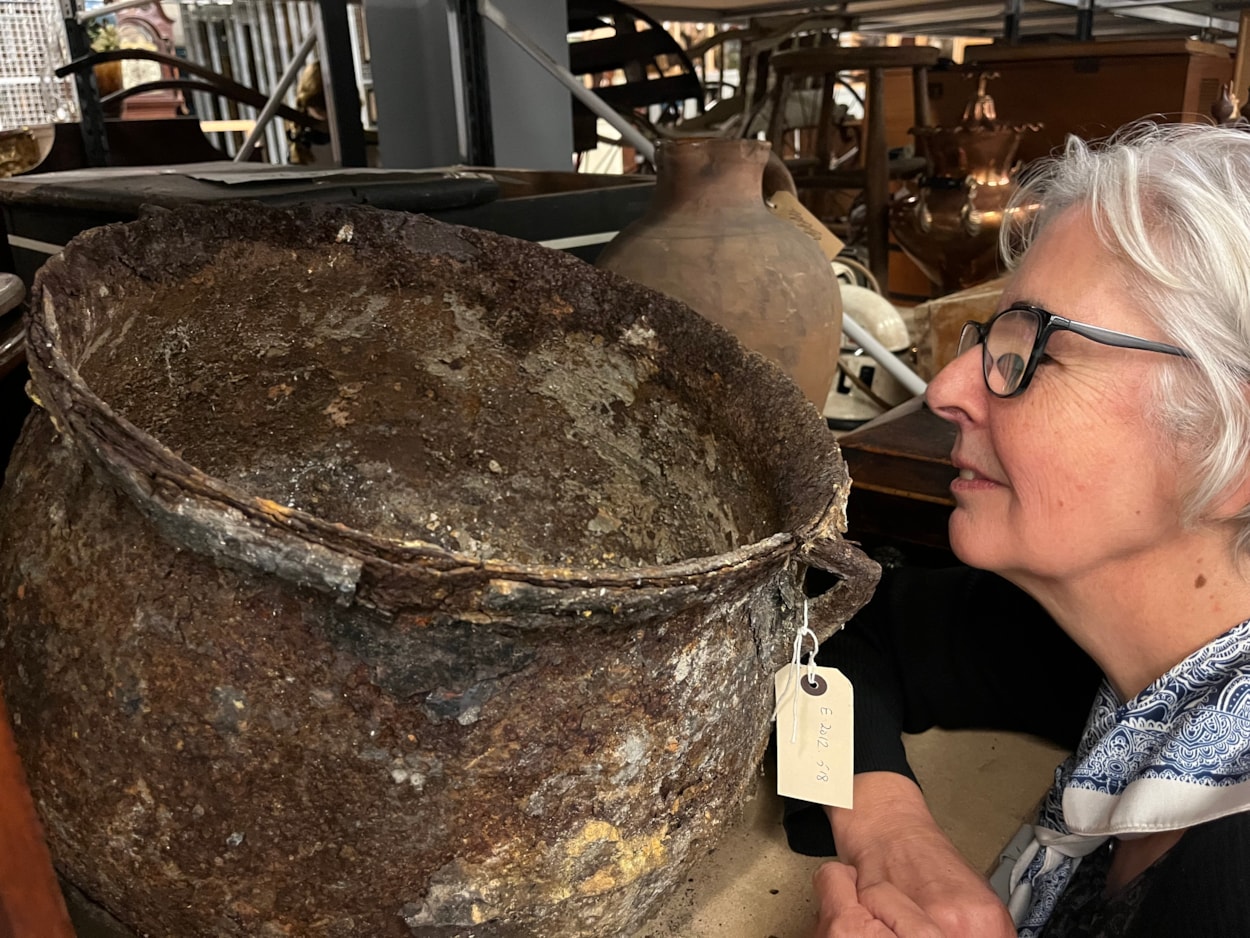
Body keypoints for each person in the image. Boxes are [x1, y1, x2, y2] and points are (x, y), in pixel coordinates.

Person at [788, 121, 1250, 937]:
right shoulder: (1122, 654)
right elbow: (834, 626)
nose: (947, 388)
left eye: (1032, 349)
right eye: (986, 338)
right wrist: (892, 830)